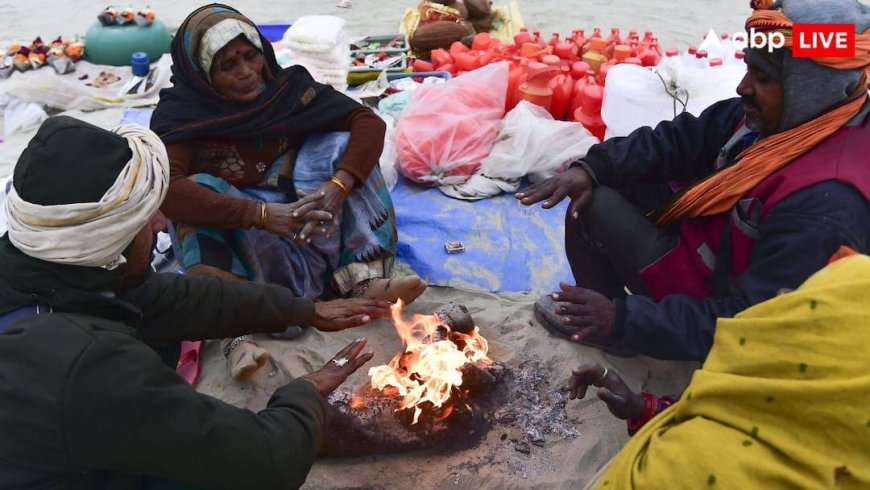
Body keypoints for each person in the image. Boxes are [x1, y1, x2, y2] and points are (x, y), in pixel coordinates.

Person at [0, 116, 393, 489]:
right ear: (107, 243)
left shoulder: (50, 269)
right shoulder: (88, 366)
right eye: (145, 219)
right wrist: (304, 394)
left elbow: (172, 298)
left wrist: (302, 309)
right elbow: (268, 460)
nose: (160, 225)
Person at [518, 0, 870, 361]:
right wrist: (593, 167)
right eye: (749, 69)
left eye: (762, 78)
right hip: (714, 246)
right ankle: (617, 314)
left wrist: (624, 320)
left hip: (721, 307)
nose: (742, 87)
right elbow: (682, 139)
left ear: (809, 89)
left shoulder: (823, 204)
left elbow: (758, 326)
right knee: (608, 179)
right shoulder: (792, 117)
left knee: (593, 206)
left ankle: (614, 333)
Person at [149, 4, 426, 379]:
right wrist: (258, 215)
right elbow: (168, 190)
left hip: (307, 216)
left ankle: (357, 279)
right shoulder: (183, 115)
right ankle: (237, 332)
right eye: (228, 66)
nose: (247, 73)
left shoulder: (288, 90)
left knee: (343, 147)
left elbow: (366, 121)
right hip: (243, 229)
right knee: (194, 196)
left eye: (251, 56)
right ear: (202, 75)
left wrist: (338, 185)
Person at [566, 253, 870, 488]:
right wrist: (642, 408)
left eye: (808, 306)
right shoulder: (818, 427)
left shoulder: (698, 469)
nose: (782, 295)